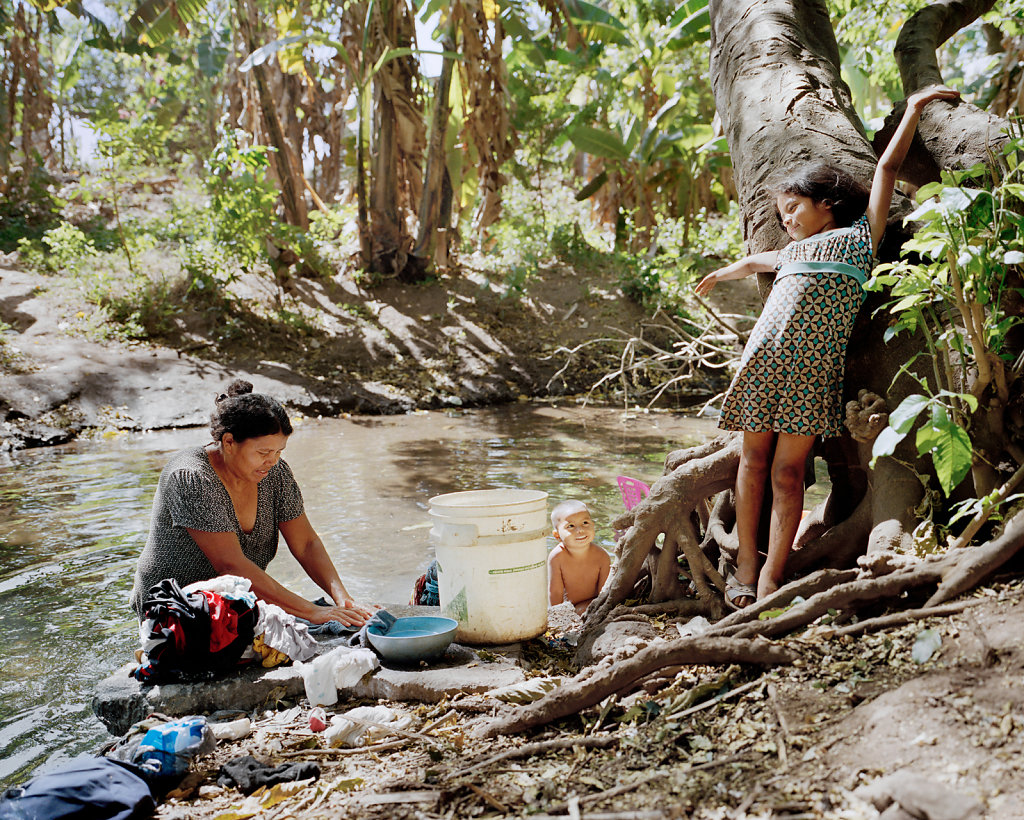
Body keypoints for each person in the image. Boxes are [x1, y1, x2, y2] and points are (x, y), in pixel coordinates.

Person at [694, 86, 960, 608]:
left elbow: (884, 171)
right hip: (763, 361)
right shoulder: (792, 250)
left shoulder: (862, 237)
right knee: (752, 463)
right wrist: (728, 271)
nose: (787, 219)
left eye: (793, 208)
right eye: (782, 213)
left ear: (826, 203)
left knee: (788, 473)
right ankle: (745, 564)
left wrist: (912, 110)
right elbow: (756, 263)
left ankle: (772, 574)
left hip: (813, 372)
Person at [129, 379, 374, 626]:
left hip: (231, 604)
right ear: (229, 442)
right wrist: (313, 612)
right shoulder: (192, 476)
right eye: (263, 453)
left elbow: (306, 543)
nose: (273, 461)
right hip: (173, 608)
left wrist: (343, 600)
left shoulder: (274, 474)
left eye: (279, 451)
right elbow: (230, 564)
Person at [547, 500, 611, 615]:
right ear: (557, 536)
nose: (580, 530)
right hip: (568, 608)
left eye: (585, 523)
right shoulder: (556, 557)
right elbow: (555, 592)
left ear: (593, 525)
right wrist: (557, 615)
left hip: (592, 604)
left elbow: (604, 592)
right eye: (570, 526)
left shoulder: (602, 556)